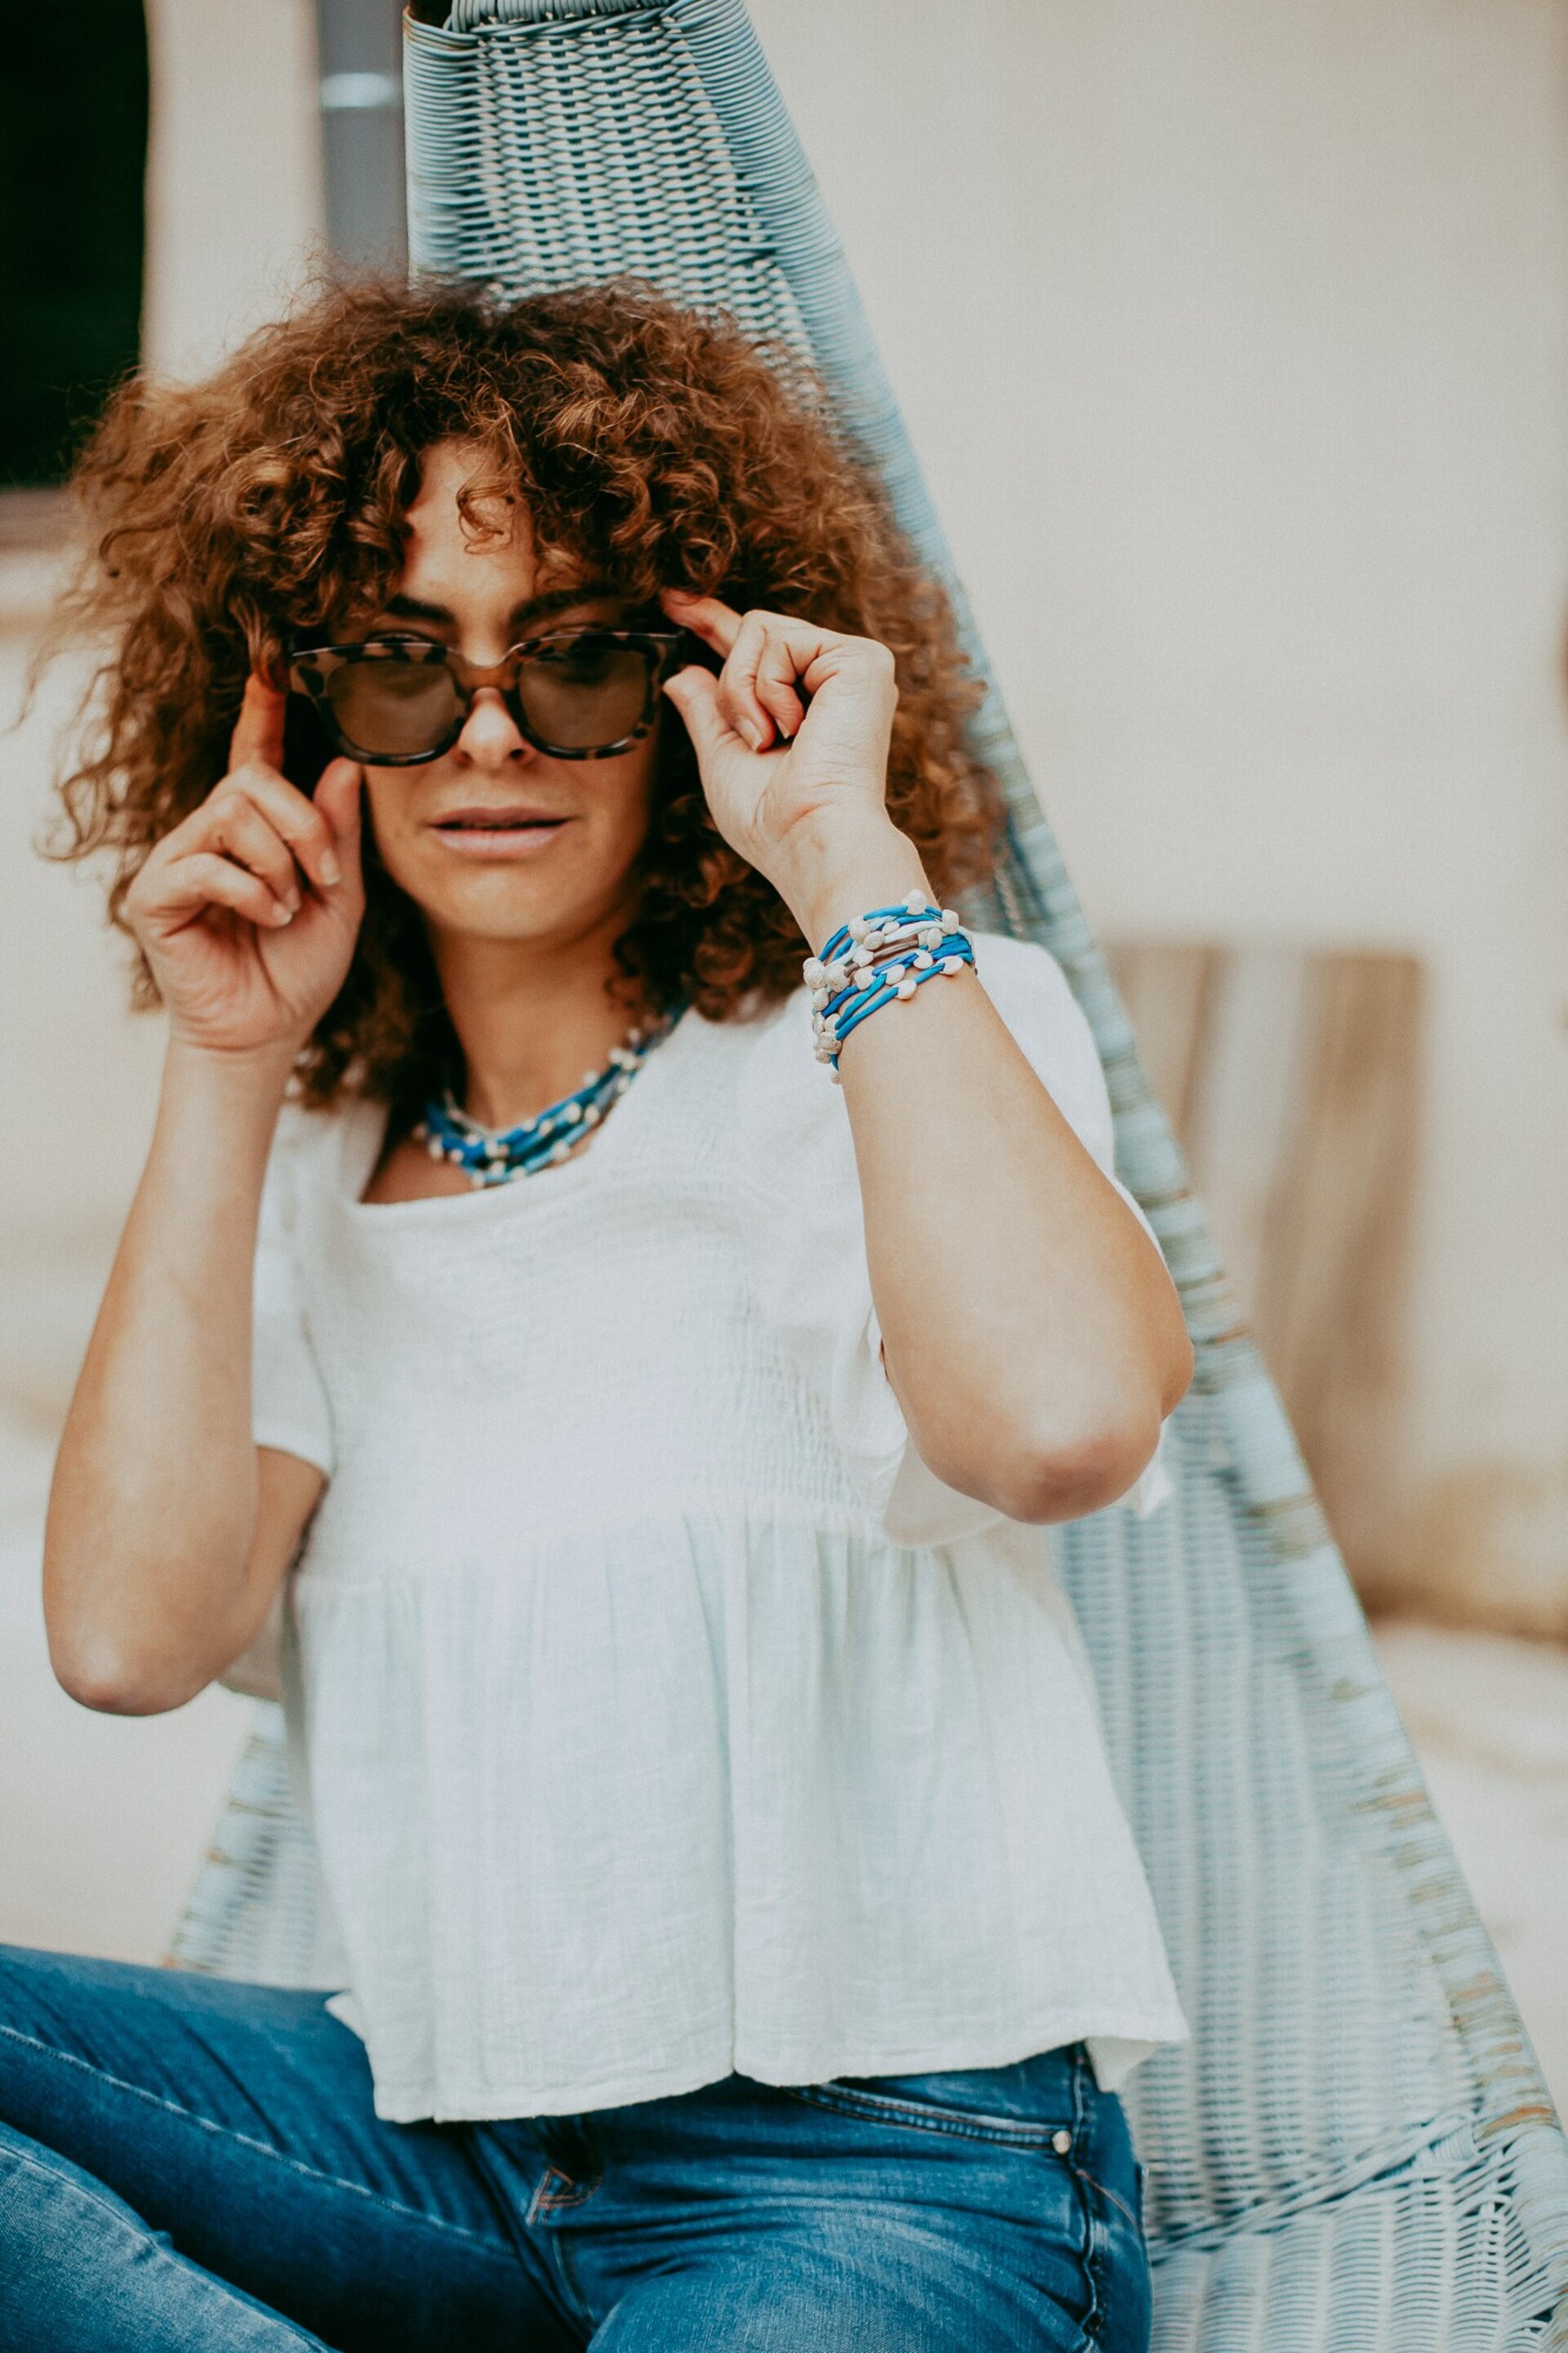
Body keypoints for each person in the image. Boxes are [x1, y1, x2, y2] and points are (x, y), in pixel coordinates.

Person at [4, 278, 1192, 2353]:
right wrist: (224, 1060)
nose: (485, 734)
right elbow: (125, 1639)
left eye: (574, 658)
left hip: (887, 2169)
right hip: (437, 2139)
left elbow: (1063, 1422)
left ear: (695, 686)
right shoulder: (307, 1161)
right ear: (295, 712)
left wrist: (846, 859)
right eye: (400, 666)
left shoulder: (894, 1034)